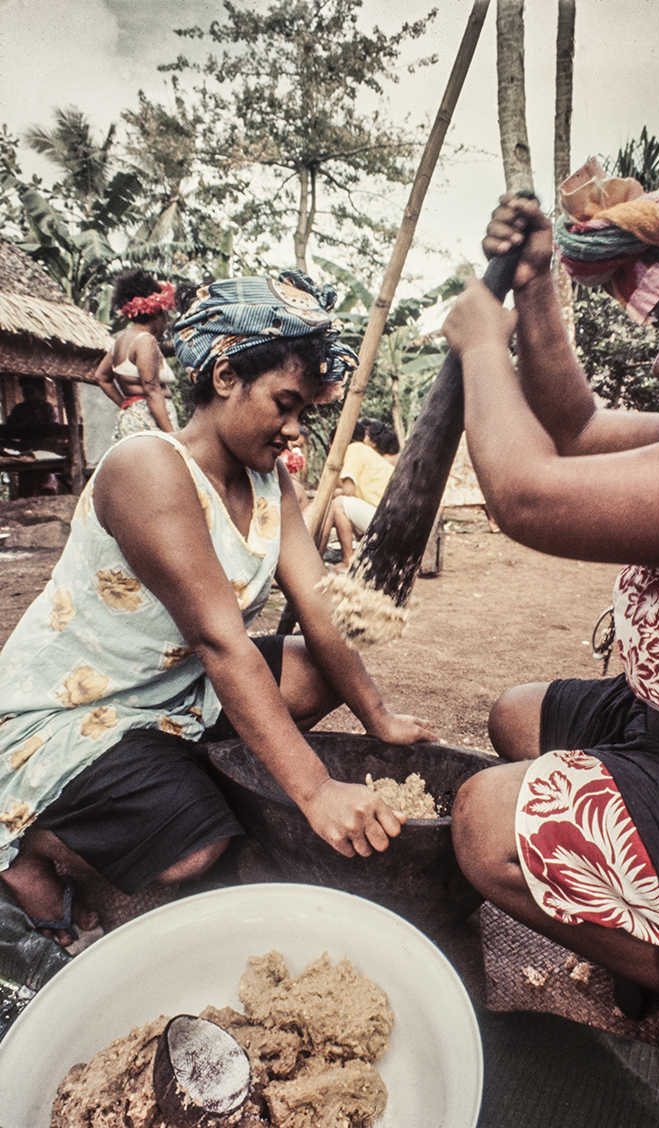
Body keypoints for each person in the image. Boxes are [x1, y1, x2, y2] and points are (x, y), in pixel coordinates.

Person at [442, 125, 659, 1084]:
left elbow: (529, 493)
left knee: (484, 821)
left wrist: (477, 345)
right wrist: (534, 291)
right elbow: (571, 429)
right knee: (514, 715)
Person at [0, 270, 434, 949]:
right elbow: (219, 641)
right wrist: (315, 792)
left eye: (304, 414)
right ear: (226, 376)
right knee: (190, 853)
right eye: (283, 403)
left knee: (308, 671)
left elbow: (318, 608)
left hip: (172, 695)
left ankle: (172, 786)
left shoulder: (269, 480)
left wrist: (379, 717)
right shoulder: (147, 469)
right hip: (76, 712)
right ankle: (29, 839)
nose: (293, 430)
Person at [93, 268, 178, 439]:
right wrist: (173, 436)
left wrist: (126, 404)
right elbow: (152, 390)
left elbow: (101, 376)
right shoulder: (146, 340)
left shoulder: (120, 341)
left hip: (134, 418)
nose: (166, 322)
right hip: (150, 420)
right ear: (157, 313)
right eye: (165, 316)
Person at [323, 419, 396, 570]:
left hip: (387, 523)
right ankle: (318, 553)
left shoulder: (355, 449)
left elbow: (348, 492)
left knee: (338, 504)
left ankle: (347, 560)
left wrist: (329, 493)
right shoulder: (366, 453)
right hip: (390, 521)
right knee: (340, 505)